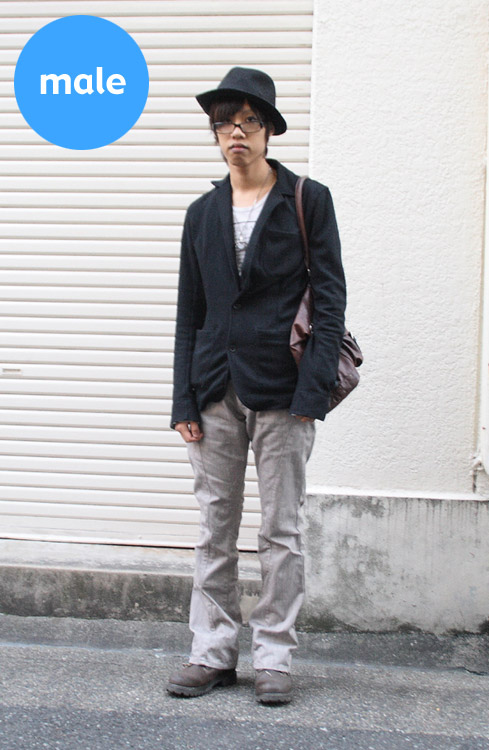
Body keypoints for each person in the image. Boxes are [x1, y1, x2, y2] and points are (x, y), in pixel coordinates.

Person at [166, 67, 346, 704]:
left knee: (281, 531)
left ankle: (274, 656)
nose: (236, 132)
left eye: (248, 121)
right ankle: (212, 652)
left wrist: (312, 393)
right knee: (214, 527)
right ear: (216, 135)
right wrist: (182, 399)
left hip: (284, 392)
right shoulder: (201, 213)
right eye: (225, 123)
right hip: (214, 387)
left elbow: (330, 301)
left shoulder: (307, 198)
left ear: (269, 130)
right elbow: (190, 310)